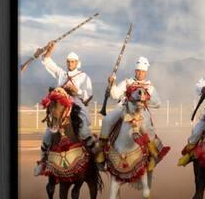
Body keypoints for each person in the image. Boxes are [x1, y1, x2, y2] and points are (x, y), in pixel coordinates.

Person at [34, 41, 95, 176]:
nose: (69, 64)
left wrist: (76, 90)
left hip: (76, 103)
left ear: (77, 63)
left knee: (84, 130)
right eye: (68, 61)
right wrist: (50, 49)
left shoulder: (84, 76)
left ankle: (97, 160)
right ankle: (43, 162)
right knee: (48, 134)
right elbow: (48, 61)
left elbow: (88, 95)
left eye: (72, 62)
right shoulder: (62, 73)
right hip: (60, 104)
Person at [95, 57, 161, 170]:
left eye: (143, 71)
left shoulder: (149, 87)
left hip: (141, 110)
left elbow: (158, 103)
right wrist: (112, 83)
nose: (140, 73)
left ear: (146, 72)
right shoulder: (127, 82)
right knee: (106, 120)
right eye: (138, 71)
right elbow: (115, 95)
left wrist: (146, 99)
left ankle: (151, 157)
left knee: (148, 128)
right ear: (135, 71)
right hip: (123, 108)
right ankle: (101, 151)